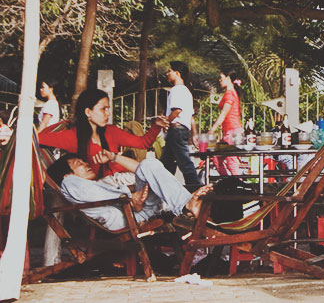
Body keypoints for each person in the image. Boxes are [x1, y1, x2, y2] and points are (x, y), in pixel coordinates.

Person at [47, 151, 211, 232]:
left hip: (134, 208)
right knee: (148, 166)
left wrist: (113, 157)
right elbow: (109, 195)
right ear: (68, 174)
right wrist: (128, 196)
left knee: (148, 164)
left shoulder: (92, 185)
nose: (85, 163)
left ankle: (186, 205)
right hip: (127, 215)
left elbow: (140, 169)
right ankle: (186, 205)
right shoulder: (69, 182)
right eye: (78, 163)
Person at [38, 88, 167, 180]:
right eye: (103, 109)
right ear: (88, 112)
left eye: (108, 109)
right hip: (105, 189)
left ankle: (184, 206)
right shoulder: (72, 137)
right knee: (153, 174)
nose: (108, 113)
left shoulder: (111, 131)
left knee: (153, 169)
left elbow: (143, 143)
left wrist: (156, 127)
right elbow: (35, 138)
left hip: (125, 179)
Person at [160, 61, 201, 188]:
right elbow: (191, 117)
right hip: (181, 130)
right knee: (165, 165)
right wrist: (194, 134)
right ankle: (164, 189)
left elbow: (177, 110)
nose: (168, 74)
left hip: (176, 130)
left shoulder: (177, 90)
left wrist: (165, 121)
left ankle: (195, 188)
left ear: (177, 73)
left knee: (184, 162)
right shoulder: (187, 92)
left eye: (170, 71)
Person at [209, 69, 243, 176]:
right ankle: (228, 182)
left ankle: (238, 186)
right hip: (228, 131)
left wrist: (212, 129)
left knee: (231, 161)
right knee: (217, 159)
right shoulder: (230, 93)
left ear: (228, 79)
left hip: (232, 132)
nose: (219, 81)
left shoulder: (230, 94)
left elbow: (223, 114)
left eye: (221, 78)